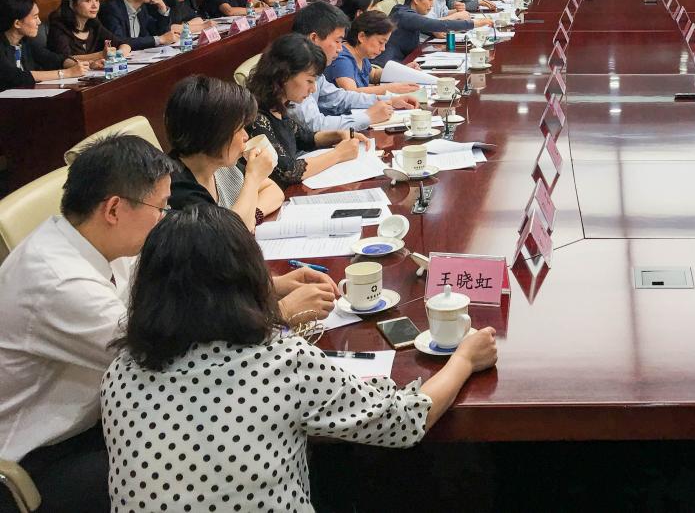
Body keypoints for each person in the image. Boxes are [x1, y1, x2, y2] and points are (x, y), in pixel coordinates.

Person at [102, 204, 498, 512]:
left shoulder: (119, 372)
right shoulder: (279, 361)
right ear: (249, 277)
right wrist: (464, 359)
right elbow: (406, 421)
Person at [0, 135, 175, 513]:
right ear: (113, 209)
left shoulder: (99, 239)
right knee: (188, 464)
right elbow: (161, 359)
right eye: (159, 207)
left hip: (96, 415)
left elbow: (166, 285)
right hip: (37, 456)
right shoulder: (59, 281)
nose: (163, 218)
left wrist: (263, 289)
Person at [245, 33, 372, 188]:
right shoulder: (256, 116)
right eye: (309, 81)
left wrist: (338, 135)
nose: (313, 89)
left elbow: (304, 138)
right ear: (284, 75)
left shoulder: (279, 105)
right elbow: (287, 171)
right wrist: (338, 154)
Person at [164, 75, 283, 231]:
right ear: (213, 134)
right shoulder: (176, 187)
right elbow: (229, 235)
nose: (245, 136)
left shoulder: (220, 163)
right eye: (239, 129)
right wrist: (253, 177)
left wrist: (253, 215)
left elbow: (273, 190)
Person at [289, 2, 414, 132]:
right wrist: (368, 117)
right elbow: (315, 126)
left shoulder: (315, 70)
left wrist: (390, 100)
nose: (340, 48)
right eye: (337, 41)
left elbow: (341, 97)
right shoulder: (294, 72)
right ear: (314, 39)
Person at [379, 0, 482, 66]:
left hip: (403, 62)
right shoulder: (405, 15)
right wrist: (475, 23)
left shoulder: (405, 13)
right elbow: (438, 25)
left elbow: (429, 27)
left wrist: (433, 31)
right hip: (388, 66)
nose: (432, 5)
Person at [0, 0, 87, 89]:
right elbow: (16, 76)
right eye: (35, 17)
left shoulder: (25, 42)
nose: (39, 22)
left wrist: (79, 65)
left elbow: (52, 58)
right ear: (17, 23)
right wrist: (67, 73)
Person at [45, 0, 132, 63]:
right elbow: (65, 59)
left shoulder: (94, 25)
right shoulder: (58, 27)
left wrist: (119, 54)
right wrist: (100, 55)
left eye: (97, 0)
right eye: (88, 1)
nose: (95, 5)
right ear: (71, 4)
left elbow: (123, 44)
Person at [326, 11, 403, 93]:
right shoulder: (342, 60)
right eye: (381, 42)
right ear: (362, 36)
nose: (383, 48)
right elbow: (351, 93)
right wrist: (388, 89)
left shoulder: (361, 55)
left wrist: (402, 72)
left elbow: (374, 75)